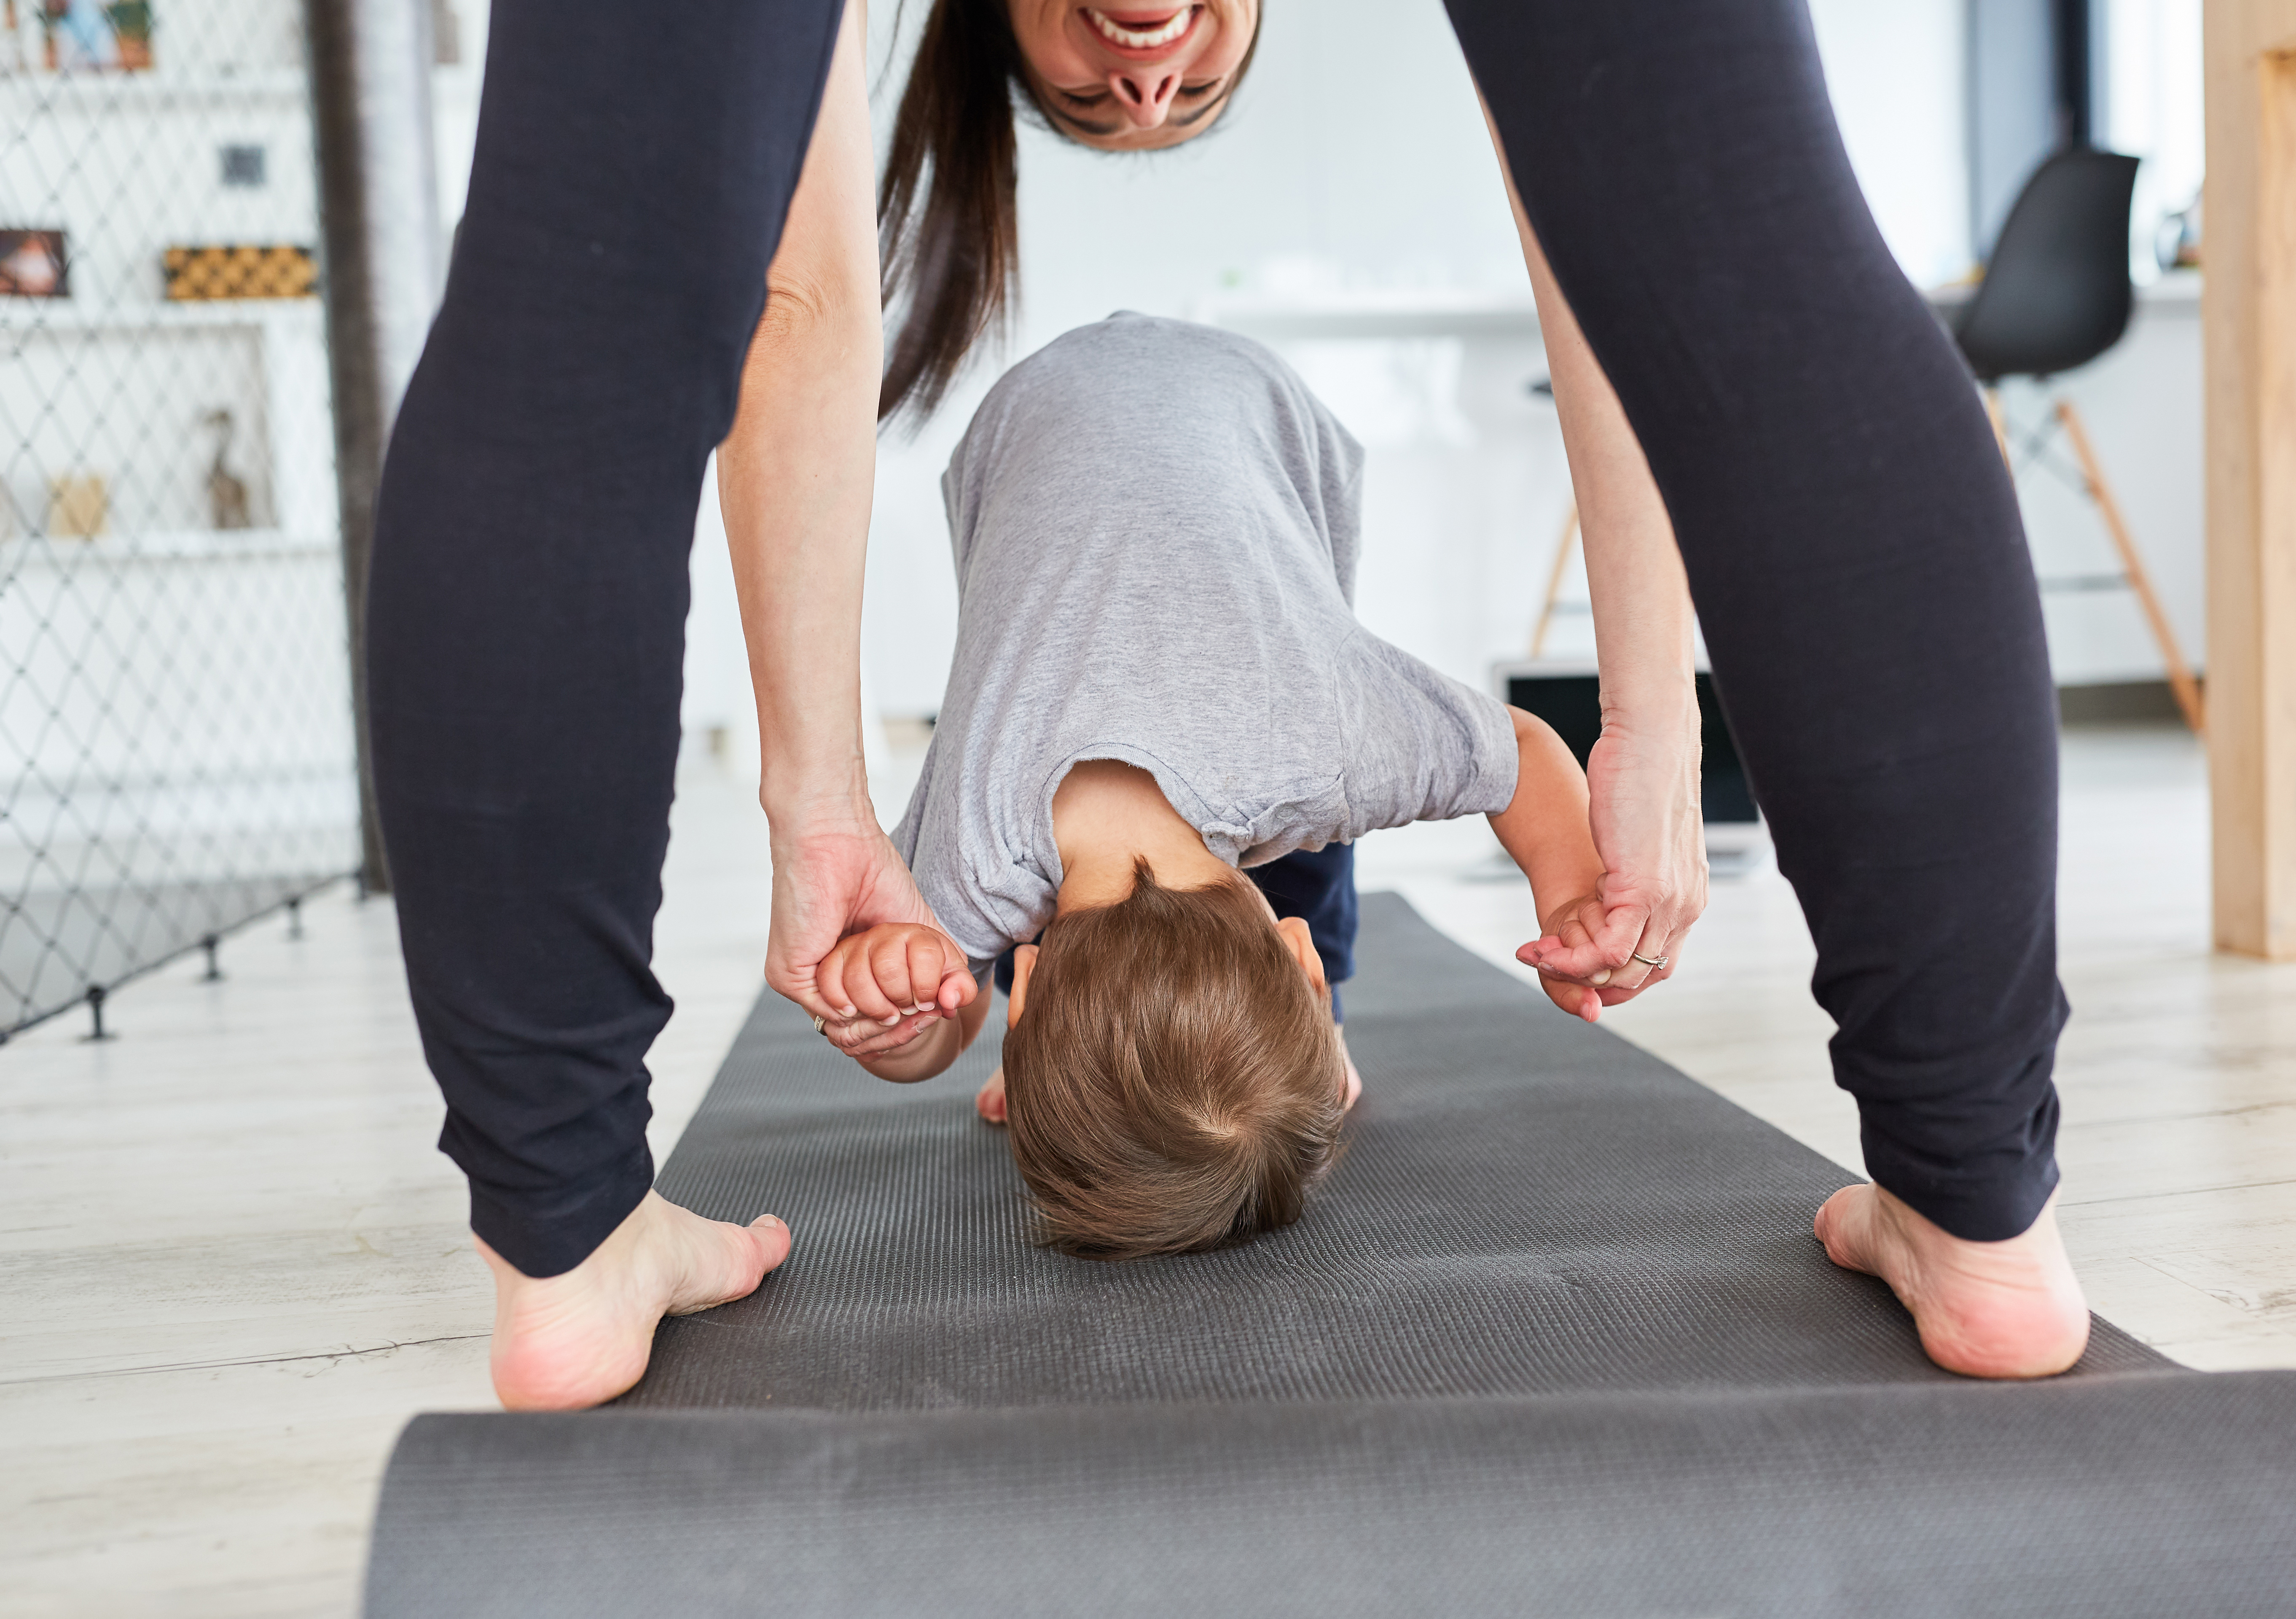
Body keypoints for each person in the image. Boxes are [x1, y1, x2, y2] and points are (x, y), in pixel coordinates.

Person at [369, 0, 2086, 1412]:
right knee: (1740, 245)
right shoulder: (1280, 753)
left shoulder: (1201, 779)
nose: (1145, 58)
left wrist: (835, 833)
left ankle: (565, 1245)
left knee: (589, 288)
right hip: (1213, 591)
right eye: (1118, 85)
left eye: (1174, 83)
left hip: (1199, 543)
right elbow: (1652, 262)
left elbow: (785, 307)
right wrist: (1631, 736)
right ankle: (1977, 1208)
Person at [806, 314, 1619, 1259]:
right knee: (1314, 803)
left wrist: (1573, 899)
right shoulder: (959, 871)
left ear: (1303, 965)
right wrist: (900, 1018)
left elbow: (1519, 750)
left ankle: (1298, 1014)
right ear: (1017, 995)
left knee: (1320, 808)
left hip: (1168, 420)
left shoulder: (1327, 735)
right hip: (1103, 421)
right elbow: (945, 1018)